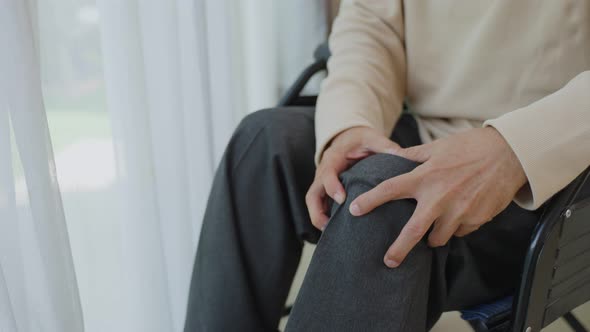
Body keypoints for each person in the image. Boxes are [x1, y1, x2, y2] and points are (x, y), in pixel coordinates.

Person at [184, 1, 590, 331]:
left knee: (381, 194)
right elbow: (371, 24)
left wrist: (512, 150)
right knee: (264, 140)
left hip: (555, 174)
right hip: (432, 131)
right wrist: (350, 126)